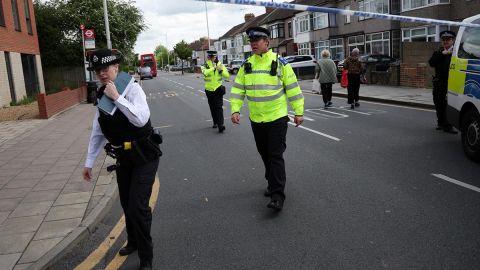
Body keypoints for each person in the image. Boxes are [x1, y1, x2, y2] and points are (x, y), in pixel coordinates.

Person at [82, 49, 161, 270]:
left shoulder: (133, 89)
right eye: (98, 71)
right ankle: (134, 241)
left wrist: (117, 98)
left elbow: (141, 119)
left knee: (138, 207)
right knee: (127, 204)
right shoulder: (100, 96)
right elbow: (98, 130)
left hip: (144, 155)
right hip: (123, 156)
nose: (102, 74)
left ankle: (147, 255)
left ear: (116, 68)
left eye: (105, 69)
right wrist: (89, 162)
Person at [230, 26, 304, 211]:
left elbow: (293, 88)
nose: (253, 43)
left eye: (258, 40)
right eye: (251, 41)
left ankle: (278, 195)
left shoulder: (280, 63)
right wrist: (235, 110)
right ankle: (272, 183)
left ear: (267, 42)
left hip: (277, 117)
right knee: (264, 153)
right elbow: (238, 90)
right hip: (256, 119)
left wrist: (299, 112)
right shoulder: (246, 65)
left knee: (274, 154)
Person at [428, 30, 458, 134]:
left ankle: (448, 125)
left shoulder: (457, 53)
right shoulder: (438, 52)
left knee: (447, 105)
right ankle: (440, 122)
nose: (445, 41)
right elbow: (431, 63)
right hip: (439, 83)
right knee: (438, 104)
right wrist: (442, 54)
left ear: (453, 40)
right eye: (444, 40)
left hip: (451, 83)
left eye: (448, 39)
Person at [201, 50, 230, 133]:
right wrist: (213, 68)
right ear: (208, 57)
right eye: (210, 57)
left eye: (213, 57)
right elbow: (205, 73)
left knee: (219, 107)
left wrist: (221, 70)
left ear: (215, 57)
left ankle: (221, 125)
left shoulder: (220, 65)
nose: (212, 58)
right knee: (212, 107)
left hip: (218, 89)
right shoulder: (204, 65)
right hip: (209, 90)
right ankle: (215, 122)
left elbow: (227, 76)